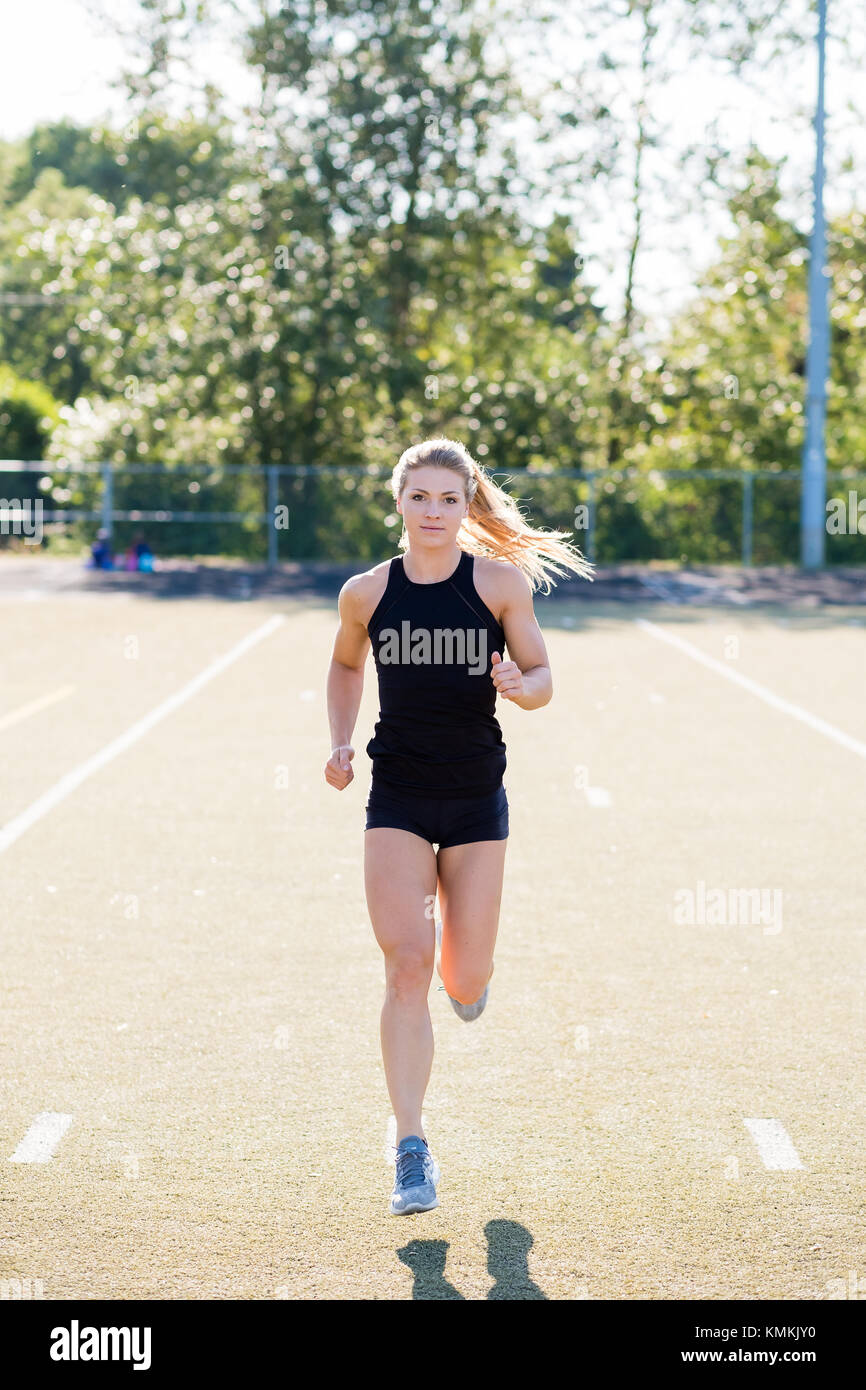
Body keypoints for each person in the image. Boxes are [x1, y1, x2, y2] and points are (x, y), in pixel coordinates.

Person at [324, 437, 594, 1216]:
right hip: (398, 798)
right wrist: (340, 740)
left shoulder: (499, 585)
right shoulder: (367, 594)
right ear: (399, 502)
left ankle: (467, 979)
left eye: (449, 499)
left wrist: (520, 683)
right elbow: (346, 666)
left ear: (467, 505)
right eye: (420, 497)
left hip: (477, 802)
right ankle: (410, 1147)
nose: (434, 512)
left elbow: (543, 678)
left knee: (463, 978)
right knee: (407, 964)